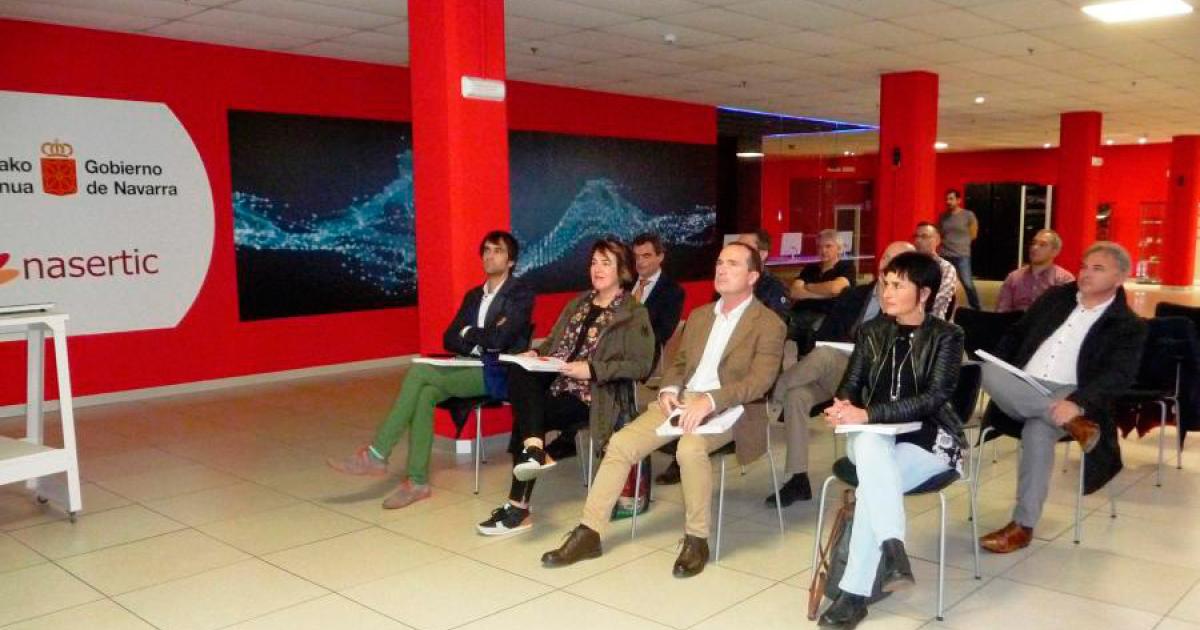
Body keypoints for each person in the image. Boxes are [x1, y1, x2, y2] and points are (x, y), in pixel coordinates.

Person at [540, 242, 786, 577]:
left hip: (733, 407)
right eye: (719, 262)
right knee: (621, 444)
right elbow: (680, 364)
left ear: (753, 276)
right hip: (684, 401)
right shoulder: (700, 316)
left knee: (690, 448)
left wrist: (710, 400)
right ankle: (590, 532)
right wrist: (670, 389)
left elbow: (760, 381)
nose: (722, 269)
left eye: (733, 264)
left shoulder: (769, 323)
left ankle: (697, 539)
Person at [328, 231, 534, 509]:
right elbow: (449, 338)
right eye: (486, 250)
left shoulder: (520, 294)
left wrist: (468, 332)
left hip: (499, 372)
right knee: (425, 394)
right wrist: (480, 339)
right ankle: (417, 482)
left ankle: (377, 454)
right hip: (467, 365)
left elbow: (501, 339)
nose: (489, 256)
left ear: (511, 261)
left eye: (497, 251)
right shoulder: (474, 296)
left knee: (419, 372)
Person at [816, 252, 967, 629]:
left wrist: (869, 414)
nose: (886, 292)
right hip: (872, 437)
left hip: (929, 438)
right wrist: (842, 406)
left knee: (872, 487)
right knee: (871, 450)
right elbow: (850, 385)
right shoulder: (871, 331)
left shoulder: (947, 336)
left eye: (898, 285)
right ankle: (892, 549)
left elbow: (934, 398)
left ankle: (854, 595)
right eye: (885, 283)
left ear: (924, 293)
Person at [476, 239, 655, 536]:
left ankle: (519, 506)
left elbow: (641, 365)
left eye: (606, 263)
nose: (597, 269)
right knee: (519, 370)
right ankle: (535, 451)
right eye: (594, 262)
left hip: (594, 394)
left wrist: (592, 370)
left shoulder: (633, 313)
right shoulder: (579, 302)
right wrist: (536, 354)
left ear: (622, 270)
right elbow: (554, 344)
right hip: (558, 381)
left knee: (526, 418)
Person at [978, 242, 1146, 554]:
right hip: (1023, 386)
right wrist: (1004, 362)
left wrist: (1078, 404)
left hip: (1071, 394)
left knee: (1037, 430)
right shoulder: (1056, 297)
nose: (1086, 273)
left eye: (1098, 268)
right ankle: (1076, 425)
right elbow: (1017, 333)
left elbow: (1118, 376)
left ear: (1120, 277)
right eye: (1084, 266)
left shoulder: (1127, 325)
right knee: (985, 370)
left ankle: (1022, 526)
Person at [767, 241, 916, 507]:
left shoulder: (909, 308)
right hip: (835, 371)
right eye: (886, 258)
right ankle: (798, 478)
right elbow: (825, 334)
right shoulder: (854, 295)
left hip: (873, 383)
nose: (889, 265)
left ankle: (771, 398)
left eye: (898, 261)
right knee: (798, 395)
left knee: (823, 358)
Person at [546, 232, 684, 462]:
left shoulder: (653, 299)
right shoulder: (585, 301)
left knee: (540, 409)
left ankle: (551, 445)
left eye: (646, 256)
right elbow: (556, 340)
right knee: (527, 389)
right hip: (575, 368)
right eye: (594, 262)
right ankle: (544, 446)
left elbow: (658, 336)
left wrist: (624, 339)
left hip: (620, 363)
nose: (641, 262)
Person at [996, 229, 1074, 313]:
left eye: (1042, 245)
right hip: (1016, 320)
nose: (1034, 248)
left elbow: (1065, 313)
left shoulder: (1064, 279)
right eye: (1033, 243)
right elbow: (1002, 310)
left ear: (1055, 252)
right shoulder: (1013, 277)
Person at [938, 189, 980, 310]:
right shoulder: (943, 217)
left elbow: (973, 233)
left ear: (958, 200)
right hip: (945, 254)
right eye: (947, 199)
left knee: (967, 283)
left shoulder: (968, 215)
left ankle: (976, 308)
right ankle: (944, 308)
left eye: (951, 199)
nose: (948, 201)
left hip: (962, 254)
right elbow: (939, 233)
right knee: (945, 284)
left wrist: (962, 243)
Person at [736, 230, 791, 321]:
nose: (738, 252)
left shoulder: (775, 287)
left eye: (746, 247)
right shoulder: (730, 281)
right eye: (737, 247)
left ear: (762, 254)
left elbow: (776, 324)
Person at [789, 229, 855, 304]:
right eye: (819, 247)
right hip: (803, 309)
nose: (823, 250)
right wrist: (824, 295)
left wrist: (808, 287)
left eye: (828, 246)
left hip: (830, 311)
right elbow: (794, 292)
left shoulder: (846, 267)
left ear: (839, 248)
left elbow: (834, 288)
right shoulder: (810, 267)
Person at [913, 222, 959, 319]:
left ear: (937, 240)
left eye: (924, 236)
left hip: (932, 321)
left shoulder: (945, 268)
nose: (918, 240)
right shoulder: (909, 265)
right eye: (916, 236)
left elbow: (938, 300)